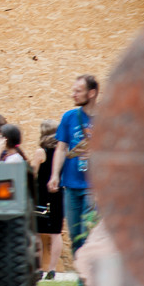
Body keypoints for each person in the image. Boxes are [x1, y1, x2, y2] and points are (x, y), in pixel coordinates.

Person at [48, 74, 98, 257]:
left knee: (88, 232)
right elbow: (61, 149)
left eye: (78, 91)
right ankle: (82, 270)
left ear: (91, 93)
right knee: (75, 235)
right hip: (70, 184)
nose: (73, 94)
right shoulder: (69, 117)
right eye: (73, 90)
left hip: (94, 186)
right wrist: (55, 175)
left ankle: (89, 271)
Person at [34, 119, 64, 280]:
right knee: (56, 232)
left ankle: (39, 268)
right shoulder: (63, 152)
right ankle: (52, 269)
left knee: (38, 232)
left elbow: (33, 173)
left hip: (41, 195)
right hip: (58, 193)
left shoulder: (41, 152)